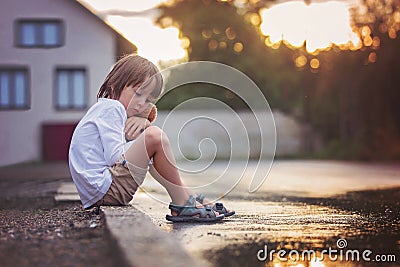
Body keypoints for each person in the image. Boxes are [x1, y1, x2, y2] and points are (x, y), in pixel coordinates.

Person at [69, 54, 234, 222]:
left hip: (100, 193)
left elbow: (123, 153)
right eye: (138, 93)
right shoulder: (113, 108)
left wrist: (143, 128)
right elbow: (115, 157)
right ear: (114, 86)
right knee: (155, 136)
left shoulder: (105, 109)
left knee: (152, 148)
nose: (141, 103)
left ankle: (188, 196)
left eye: (148, 99)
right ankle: (183, 202)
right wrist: (146, 132)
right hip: (106, 188)